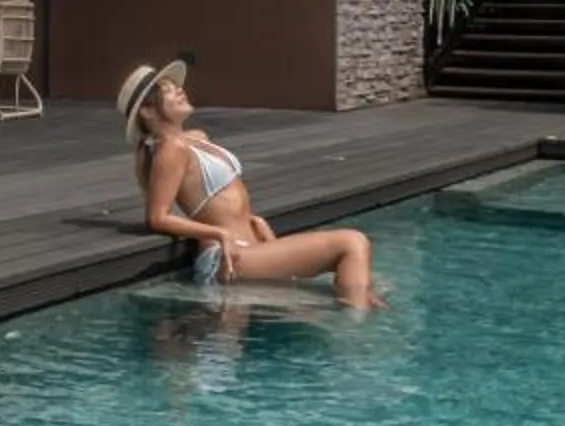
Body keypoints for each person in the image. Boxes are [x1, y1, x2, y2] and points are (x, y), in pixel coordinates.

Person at [119, 59, 386, 307]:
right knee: (352, 243)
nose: (179, 91)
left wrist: (251, 221)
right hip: (228, 255)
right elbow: (157, 217)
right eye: (168, 90)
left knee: (350, 290)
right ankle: (359, 329)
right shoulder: (170, 150)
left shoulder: (197, 137)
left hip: (253, 245)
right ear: (148, 111)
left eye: (177, 86)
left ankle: (359, 312)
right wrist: (218, 233)